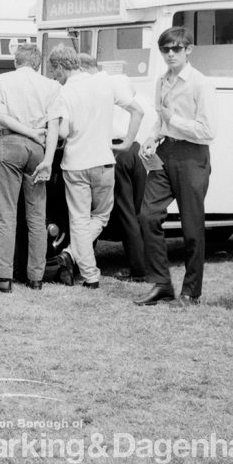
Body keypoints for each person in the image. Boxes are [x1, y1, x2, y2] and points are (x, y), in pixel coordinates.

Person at [48, 47, 144, 289]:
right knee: (101, 217)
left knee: (79, 220)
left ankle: (89, 275)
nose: (53, 76)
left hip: (75, 163)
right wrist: (128, 142)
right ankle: (73, 257)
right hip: (103, 161)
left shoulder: (64, 92)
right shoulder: (105, 84)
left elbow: (63, 132)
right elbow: (138, 111)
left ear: (61, 67)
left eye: (54, 71)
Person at [136, 27, 217, 307]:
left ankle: (191, 292)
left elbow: (208, 131)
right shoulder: (161, 81)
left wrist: (175, 120)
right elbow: (160, 119)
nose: (170, 54)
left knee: (192, 227)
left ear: (188, 50)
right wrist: (151, 136)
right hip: (165, 151)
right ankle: (161, 284)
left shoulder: (200, 83)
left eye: (176, 49)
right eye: (165, 49)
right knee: (148, 216)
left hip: (192, 155)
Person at [0, 42, 62, 292]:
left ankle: (3, 275)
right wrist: (47, 159)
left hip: (11, 144)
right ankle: (36, 277)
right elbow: (54, 126)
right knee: (37, 216)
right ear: (37, 64)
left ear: (16, 61)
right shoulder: (52, 85)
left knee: (7, 213)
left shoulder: (2, 80)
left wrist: (28, 133)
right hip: (38, 152)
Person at [77, 54, 149, 284]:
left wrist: (122, 144)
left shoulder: (92, 87)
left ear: (83, 69)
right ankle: (140, 266)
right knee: (135, 212)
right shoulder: (120, 80)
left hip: (114, 150)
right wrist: (130, 141)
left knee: (97, 210)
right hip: (134, 150)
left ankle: (86, 261)